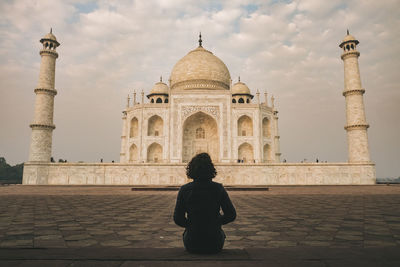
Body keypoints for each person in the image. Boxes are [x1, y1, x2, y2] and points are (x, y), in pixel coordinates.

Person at [173, 153, 236, 254]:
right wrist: (215, 223)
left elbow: (178, 218)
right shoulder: (218, 188)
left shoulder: (185, 190)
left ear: (191, 170)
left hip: (192, 243)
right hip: (215, 243)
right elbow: (231, 215)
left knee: (190, 235)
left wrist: (192, 225)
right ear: (211, 169)